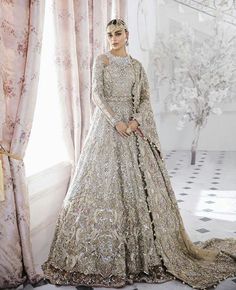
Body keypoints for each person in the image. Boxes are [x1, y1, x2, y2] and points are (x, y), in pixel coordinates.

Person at [42, 19, 236, 290]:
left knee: (137, 190)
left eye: (118, 33)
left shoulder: (136, 66)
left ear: (127, 35)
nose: (113, 38)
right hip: (108, 129)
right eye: (109, 34)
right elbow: (96, 94)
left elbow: (145, 97)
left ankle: (142, 255)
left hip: (132, 129)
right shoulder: (102, 61)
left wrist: (134, 122)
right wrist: (115, 121)